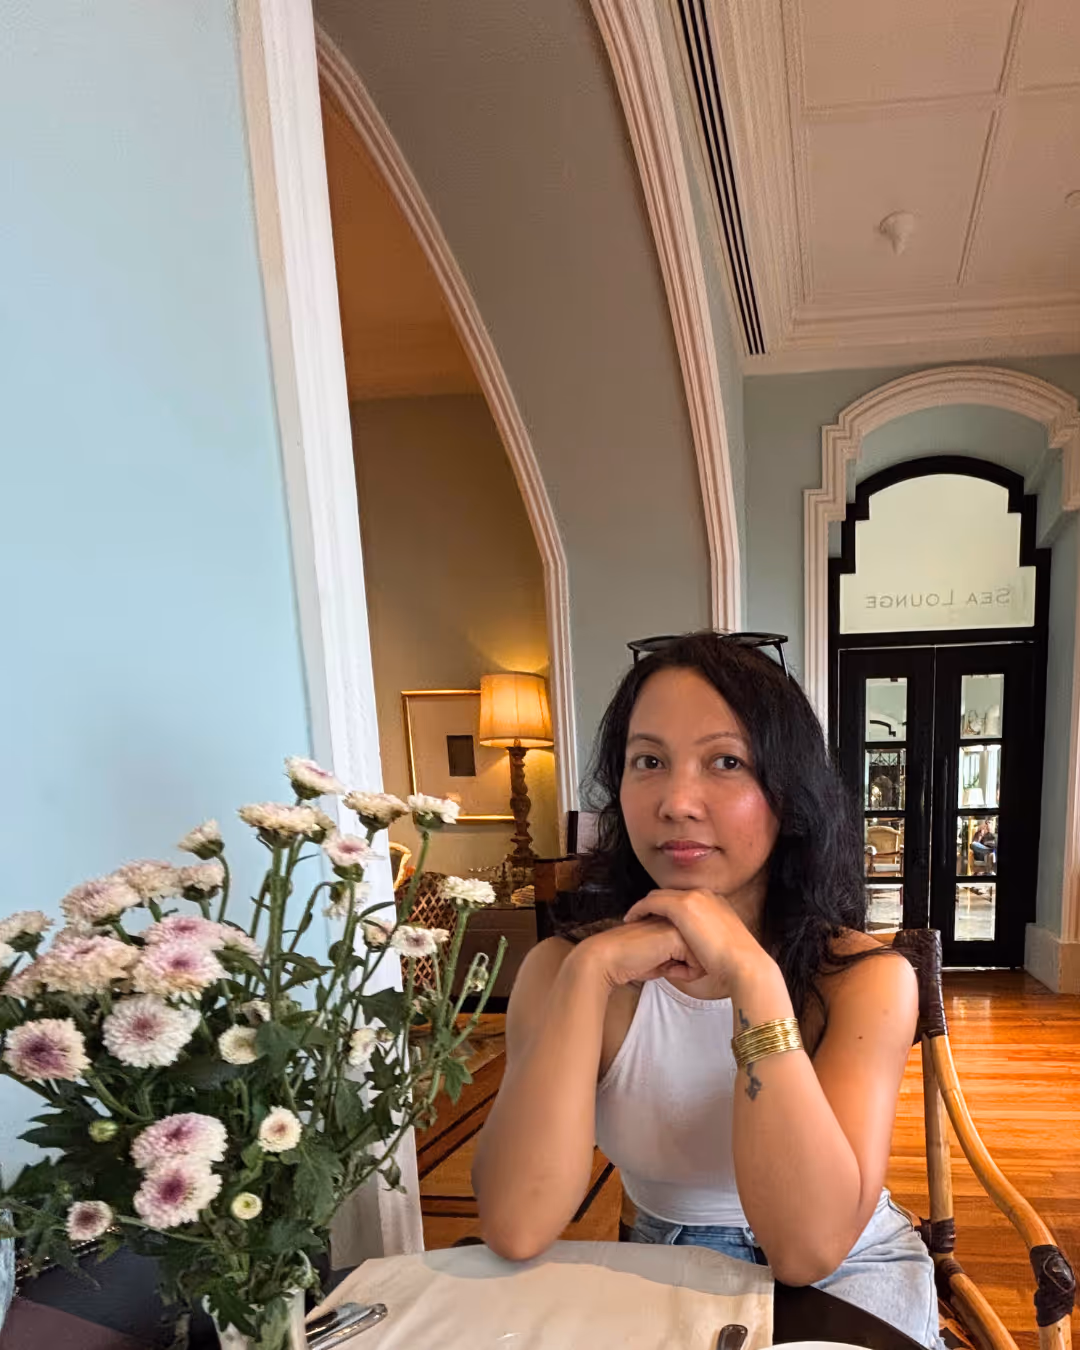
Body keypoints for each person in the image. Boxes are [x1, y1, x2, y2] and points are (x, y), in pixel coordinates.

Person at [473, 632, 941, 1349]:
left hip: (849, 1278)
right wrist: (587, 975)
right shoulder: (566, 969)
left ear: (789, 792)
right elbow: (516, 1224)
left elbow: (807, 1248)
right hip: (662, 1268)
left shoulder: (869, 979)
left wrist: (753, 979)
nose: (677, 801)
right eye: (648, 761)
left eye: (726, 762)